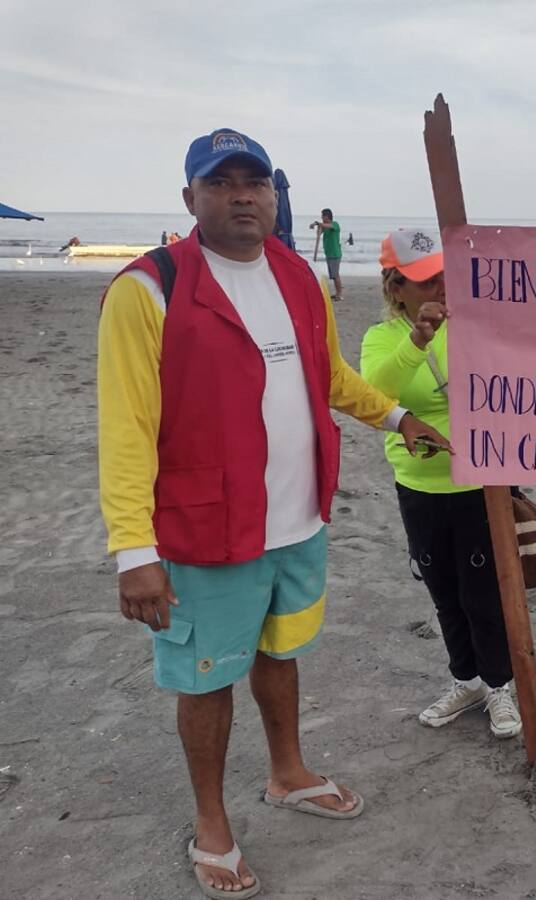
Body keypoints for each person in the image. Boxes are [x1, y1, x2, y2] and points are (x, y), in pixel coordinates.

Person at [97, 128, 444, 898]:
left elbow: (332, 377)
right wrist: (133, 550)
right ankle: (212, 819)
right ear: (191, 198)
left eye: (257, 181)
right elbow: (125, 429)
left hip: (297, 519)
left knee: (281, 652)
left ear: (277, 195)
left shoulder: (295, 273)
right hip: (205, 529)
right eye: (222, 183)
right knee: (207, 674)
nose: (243, 194)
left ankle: (287, 772)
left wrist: (396, 420)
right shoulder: (147, 289)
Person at [360, 228, 523, 742]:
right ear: (396, 288)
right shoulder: (380, 338)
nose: (438, 285)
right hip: (419, 488)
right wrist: (417, 340)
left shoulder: (475, 322)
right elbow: (374, 396)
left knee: (484, 595)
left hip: (481, 485)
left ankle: (499, 686)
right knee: (445, 595)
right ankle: (467, 680)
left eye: (442, 273)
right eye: (423, 279)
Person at [312, 208, 344, 301]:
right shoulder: (324, 226)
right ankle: (337, 292)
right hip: (329, 253)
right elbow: (319, 233)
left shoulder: (335, 224)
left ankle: (340, 294)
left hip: (335, 254)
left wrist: (320, 224)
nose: (322, 217)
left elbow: (330, 226)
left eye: (323, 216)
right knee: (333, 275)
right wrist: (316, 227)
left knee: (335, 275)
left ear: (327, 216)